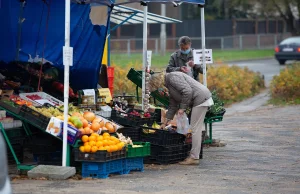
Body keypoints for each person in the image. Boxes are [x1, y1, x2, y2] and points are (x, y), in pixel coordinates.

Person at [149, 71, 214, 165]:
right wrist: (165, 122)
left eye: (156, 86)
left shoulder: (172, 77)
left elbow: (187, 91)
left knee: (195, 129)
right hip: (199, 98)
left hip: (200, 98)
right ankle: (194, 155)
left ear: (157, 82)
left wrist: (182, 108)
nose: (159, 89)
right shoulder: (169, 85)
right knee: (195, 128)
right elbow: (172, 105)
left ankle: (194, 157)